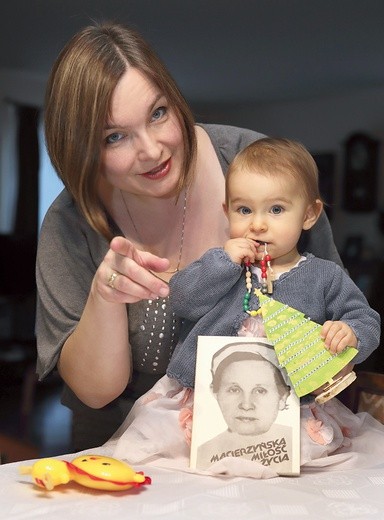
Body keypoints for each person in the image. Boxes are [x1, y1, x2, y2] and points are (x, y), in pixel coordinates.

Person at [36, 21, 343, 452]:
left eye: (158, 113)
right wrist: (105, 300)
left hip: (271, 441)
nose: (152, 149)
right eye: (115, 137)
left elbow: (337, 314)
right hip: (125, 450)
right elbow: (96, 393)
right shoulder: (70, 224)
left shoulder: (260, 168)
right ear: (81, 148)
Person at [108, 137, 381, 475]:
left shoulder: (325, 276)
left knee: (295, 462)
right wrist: (223, 262)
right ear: (227, 212)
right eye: (244, 210)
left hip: (286, 403)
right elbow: (182, 299)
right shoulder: (221, 264)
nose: (258, 224)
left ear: (309, 214)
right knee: (171, 463)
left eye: (277, 209)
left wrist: (351, 333)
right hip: (203, 397)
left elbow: (365, 318)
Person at [195, 342, 294, 474]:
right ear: (216, 393)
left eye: (260, 391)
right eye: (234, 390)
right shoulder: (202, 455)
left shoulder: (298, 447)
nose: (246, 405)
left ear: (282, 397)